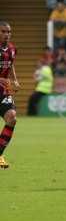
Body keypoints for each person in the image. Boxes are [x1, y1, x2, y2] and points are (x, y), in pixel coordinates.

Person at [0, 21, 20, 169]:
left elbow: (11, 64)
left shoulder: (12, 49)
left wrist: (14, 80)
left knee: (12, 118)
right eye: (3, 32)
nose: (7, 34)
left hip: (3, 90)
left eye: (8, 32)